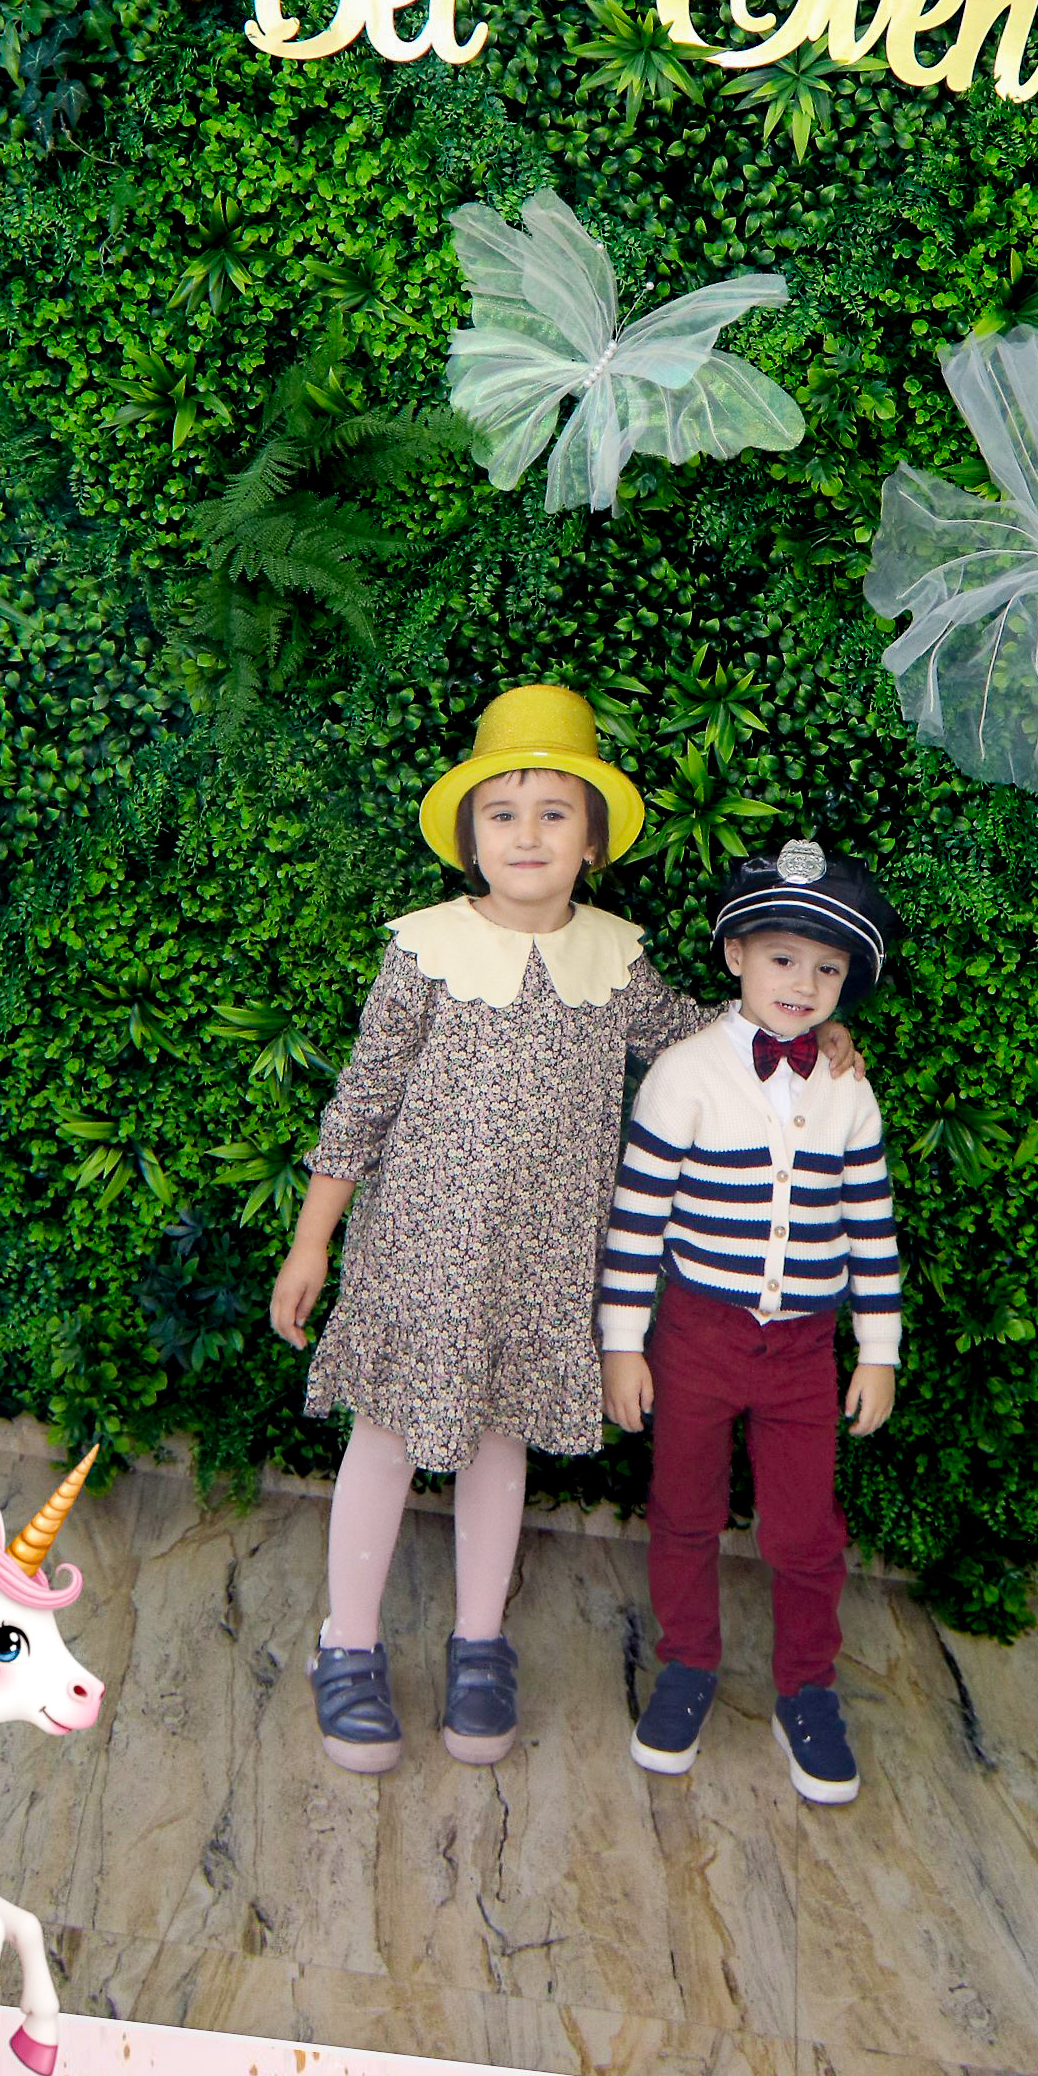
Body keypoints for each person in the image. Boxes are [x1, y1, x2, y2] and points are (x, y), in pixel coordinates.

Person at [267, 686, 861, 1775]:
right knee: (384, 1438)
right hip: (420, 1259)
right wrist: (312, 1242)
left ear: (591, 843)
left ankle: (478, 1644)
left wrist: (806, 1034)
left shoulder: (616, 960)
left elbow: (700, 1037)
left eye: (554, 814)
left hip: (544, 1265)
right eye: (503, 814)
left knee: (502, 1444)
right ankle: (345, 1645)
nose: (528, 834)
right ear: (470, 840)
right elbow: (361, 1102)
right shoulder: (424, 950)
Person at [598, 838, 901, 1806]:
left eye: (827, 969)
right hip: (696, 1336)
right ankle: (686, 1667)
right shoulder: (684, 1073)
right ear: (735, 956)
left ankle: (806, 1689)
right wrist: (622, 1344)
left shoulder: (847, 1086)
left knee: (806, 1530)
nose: (802, 985)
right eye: (781, 958)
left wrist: (879, 1351)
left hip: (804, 1349)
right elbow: (637, 1220)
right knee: (684, 1510)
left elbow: (871, 1224)